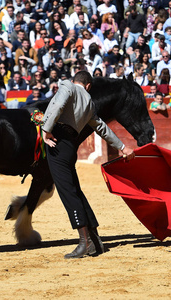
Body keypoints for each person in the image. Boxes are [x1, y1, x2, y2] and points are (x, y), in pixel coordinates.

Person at [41, 70, 135, 259]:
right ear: (89, 86)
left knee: (68, 192)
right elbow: (102, 128)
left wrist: (46, 129)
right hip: (70, 145)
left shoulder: (67, 87)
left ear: (75, 81)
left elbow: (58, 105)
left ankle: (85, 242)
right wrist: (123, 147)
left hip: (58, 142)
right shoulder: (90, 103)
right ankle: (94, 238)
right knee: (75, 190)